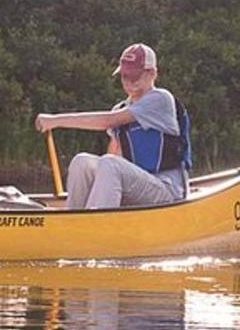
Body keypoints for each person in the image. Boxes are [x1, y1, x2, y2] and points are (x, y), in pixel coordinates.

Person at [34, 43, 191, 210]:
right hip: (137, 188)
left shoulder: (160, 99)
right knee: (82, 162)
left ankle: (98, 226)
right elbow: (113, 158)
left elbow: (108, 121)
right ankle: (72, 221)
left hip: (167, 191)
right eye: (124, 76)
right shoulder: (120, 108)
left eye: (134, 76)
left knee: (110, 164)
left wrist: (55, 120)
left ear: (152, 73)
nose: (129, 82)